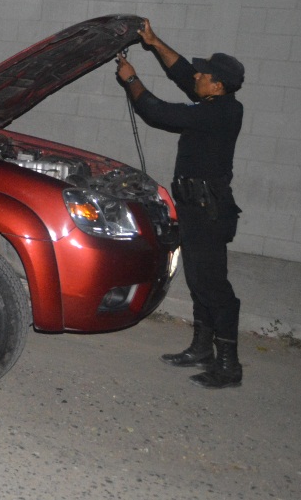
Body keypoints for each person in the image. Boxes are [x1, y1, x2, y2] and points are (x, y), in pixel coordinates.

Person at [115, 19, 245, 389]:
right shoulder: (216, 100)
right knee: (199, 281)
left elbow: (158, 113)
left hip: (208, 210)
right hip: (195, 207)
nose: (197, 76)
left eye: (205, 75)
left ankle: (229, 365)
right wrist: (154, 42)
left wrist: (131, 79)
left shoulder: (218, 112)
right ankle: (202, 349)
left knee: (213, 286)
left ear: (217, 86)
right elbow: (184, 73)